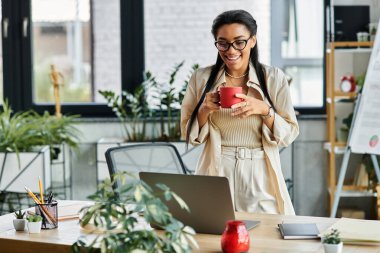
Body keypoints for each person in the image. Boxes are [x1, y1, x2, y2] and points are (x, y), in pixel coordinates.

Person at [180, 10, 299, 215]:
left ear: (252, 41)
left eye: (239, 42)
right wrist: (204, 110)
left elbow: (289, 133)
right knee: (213, 236)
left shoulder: (273, 78)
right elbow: (187, 133)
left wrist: (265, 110)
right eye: (223, 43)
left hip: (259, 170)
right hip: (217, 168)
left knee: (265, 238)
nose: (230, 50)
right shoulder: (201, 79)